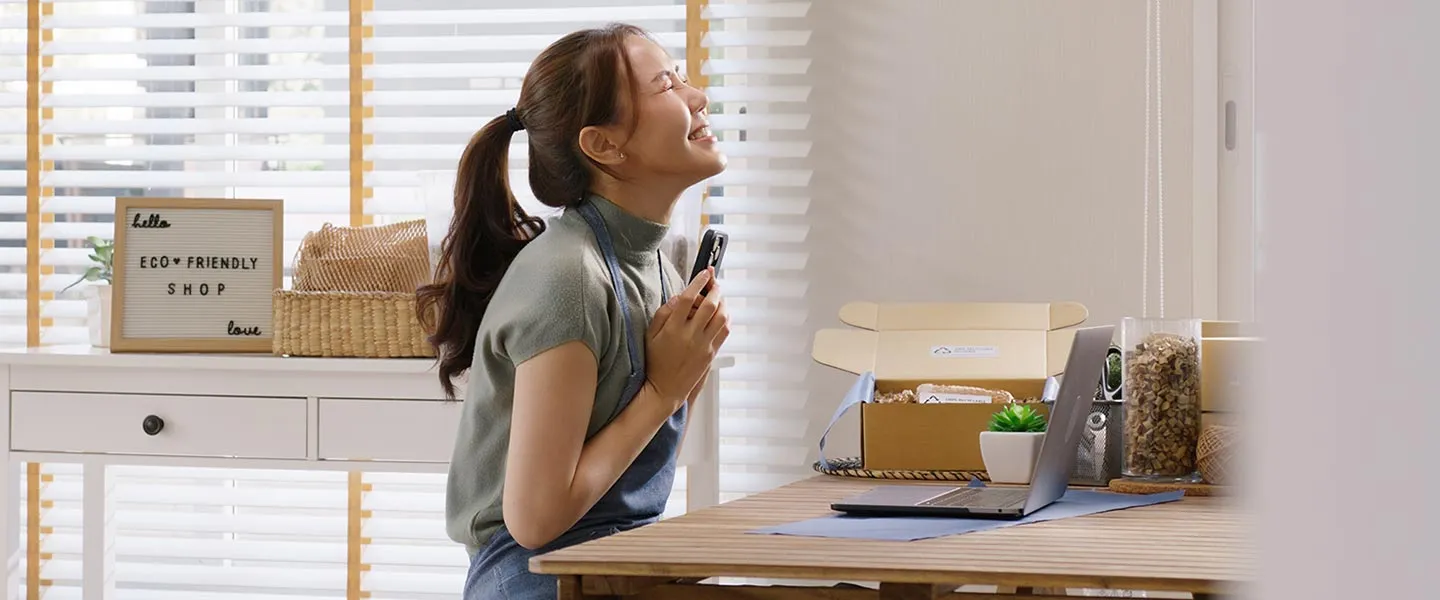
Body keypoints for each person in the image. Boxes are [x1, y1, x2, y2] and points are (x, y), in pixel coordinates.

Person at [414, 22, 732, 600]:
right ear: (603, 145)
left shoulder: (658, 267)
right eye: (666, 84)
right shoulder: (569, 277)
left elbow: (637, 469)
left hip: (616, 561)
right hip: (536, 576)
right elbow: (535, 520)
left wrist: (689, 373)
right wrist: (665, 391)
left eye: (682, 77)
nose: (697, 96)